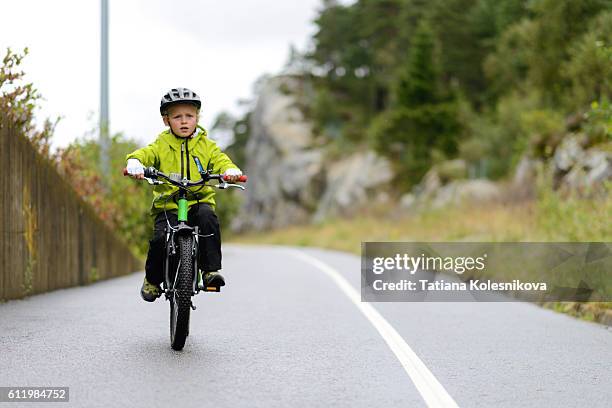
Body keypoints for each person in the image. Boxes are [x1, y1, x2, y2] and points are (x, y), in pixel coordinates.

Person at [125, 87, 242, 302]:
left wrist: (230, 171)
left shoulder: (207, 145)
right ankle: (152, 280)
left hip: (198, 201)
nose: (184, 121)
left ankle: (209, 272)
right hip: (169, 204)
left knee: (208, 219)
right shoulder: (162, 144)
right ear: (166, 120)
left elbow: (221, 160)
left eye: (189, 116)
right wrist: (135, 162)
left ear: (197, 117)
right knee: (160, 238)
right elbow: (146, 153)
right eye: (177, 117)